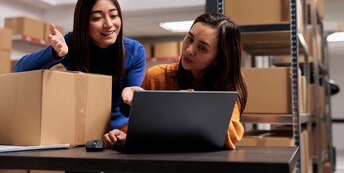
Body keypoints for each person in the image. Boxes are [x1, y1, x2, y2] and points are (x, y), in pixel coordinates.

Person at [103, 13, 247, 150]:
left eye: (202, 47)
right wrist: (122, 135)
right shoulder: (156, 76)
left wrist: (186, 102)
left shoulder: (228, 86)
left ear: (219, 58)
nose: (189, 50)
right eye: (190, 39)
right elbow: (139, 127)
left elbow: (231, 133)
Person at [15, 0, 146, 131]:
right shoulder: (71, 43)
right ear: (83, 22)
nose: (109, 24)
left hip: (118, 131)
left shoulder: (134, 50)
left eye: (114, 16)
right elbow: (21, 69)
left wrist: (131, 97)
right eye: (97, 18)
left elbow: (127, 111)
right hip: (80, 127)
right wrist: (54, 53)